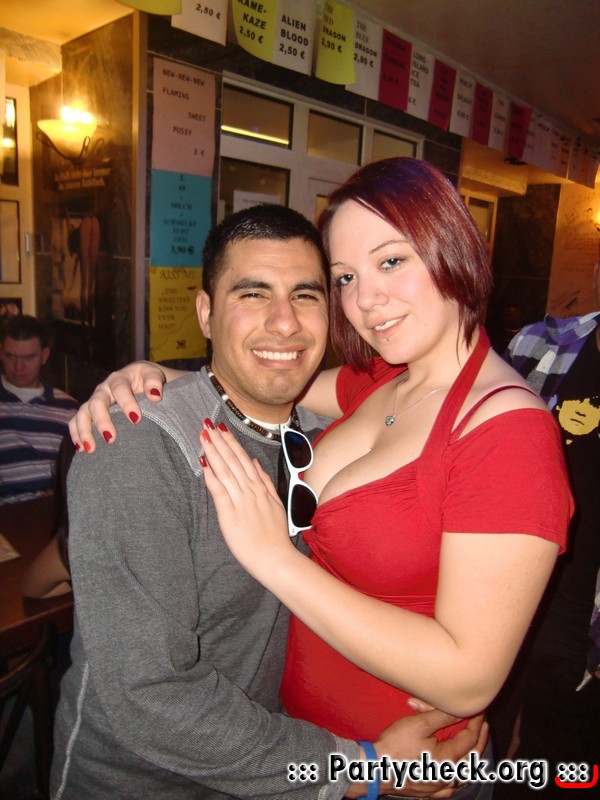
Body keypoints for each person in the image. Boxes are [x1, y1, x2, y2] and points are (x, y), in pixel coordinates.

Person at [70, 160, 572, 797]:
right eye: (346, 278)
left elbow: (469, 679)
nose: (366, 301)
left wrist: (274, 559)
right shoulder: (384, 380)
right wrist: (145, 376)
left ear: (452, 248)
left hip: (403, 767)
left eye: (392, 261)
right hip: (300, 751)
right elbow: (267, 379)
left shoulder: (508, 432)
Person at [489, 262, 600, 797]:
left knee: (561, 766)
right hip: (501, 593)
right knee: (475, 746)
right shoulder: (539, 345)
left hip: (586, 619)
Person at [0, 314, 79, 505]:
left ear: (44, 356)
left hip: (52, 507)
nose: (18, 366)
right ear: (1, 353)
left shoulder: (69, 408)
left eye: (28, 357)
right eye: (11, 356)